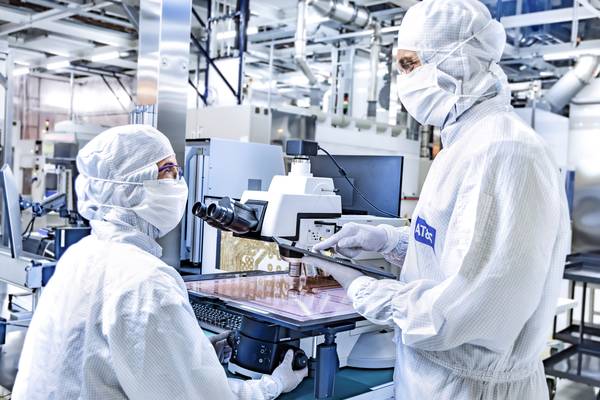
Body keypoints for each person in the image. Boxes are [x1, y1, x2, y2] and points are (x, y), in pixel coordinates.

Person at [304, 0, 571, 399]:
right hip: (436, 380)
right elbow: (460, 255)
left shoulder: (505, 151)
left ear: (456, 62)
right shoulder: (465, 143)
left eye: (409, 64)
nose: (403, 80)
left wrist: (358, 287)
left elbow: (463, 312)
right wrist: (388, 241)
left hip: (473, 390)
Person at [12, 125, 307, 400]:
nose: (179, 182)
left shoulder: (81, 254)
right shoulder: (147, 282)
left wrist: (190, 355)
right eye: (167, 171)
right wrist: (273, 385)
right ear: (127, 186)